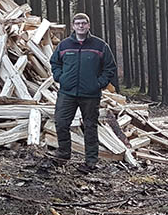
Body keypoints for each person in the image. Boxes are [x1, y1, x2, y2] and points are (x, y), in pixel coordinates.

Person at [49, 12, 117, 173]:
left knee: (90, 127)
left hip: (90, 95)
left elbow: (110, 67)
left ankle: (91, 161)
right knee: (61, 122)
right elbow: (54, 63)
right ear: (73, 26)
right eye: (78, 23)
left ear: (88, 25)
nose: (81, 26)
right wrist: (60, 78)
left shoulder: (100, 46)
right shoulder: (64, 45)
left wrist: (98, 84)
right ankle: (63, 155)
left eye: (84, 23)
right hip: (67, 93)